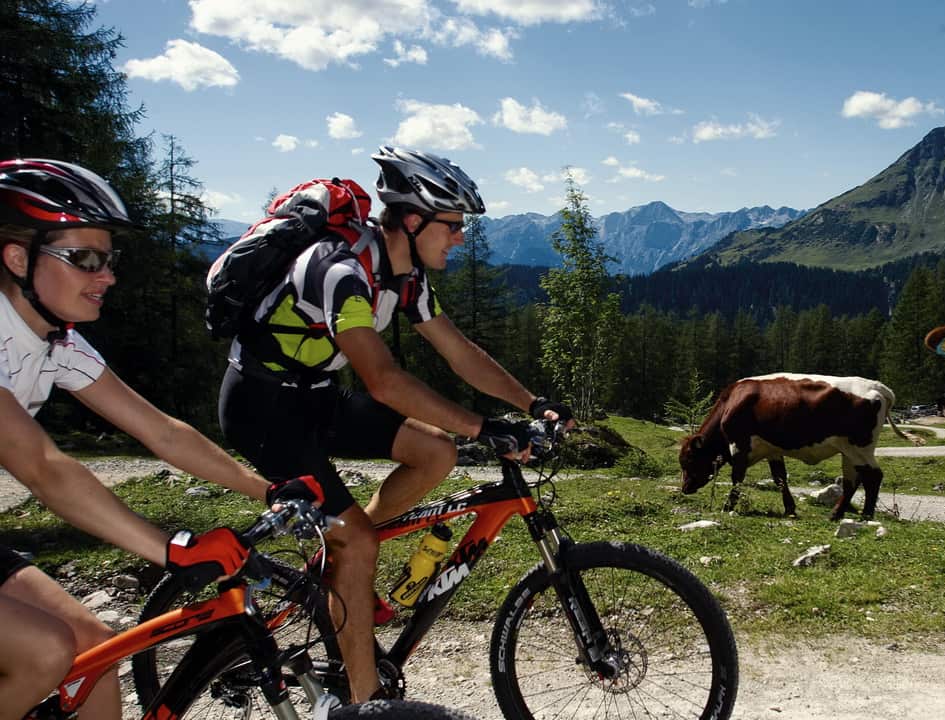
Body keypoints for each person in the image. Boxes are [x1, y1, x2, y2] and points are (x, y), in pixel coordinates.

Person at [216, 146, 573, 701]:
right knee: (359, 543)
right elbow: (382, 379)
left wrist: (532, 404)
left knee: (436, 453)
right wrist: (483, 427)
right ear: (413, 219)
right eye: (452, 226)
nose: (460, 238)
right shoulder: (342, 272)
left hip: (316, 397)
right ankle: (364, 706)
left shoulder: (404, 277)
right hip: (262, 407)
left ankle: (342, 563)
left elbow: (460, 352)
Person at [0, 159, 321, 719]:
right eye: (85, 259)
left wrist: (264, 489)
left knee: (94, 654)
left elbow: (159, 430)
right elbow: (43, 466)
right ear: (17, 258)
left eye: (109, 259)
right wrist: (169, 548)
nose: (108, 276)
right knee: (45, 652)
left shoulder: (55, 341)